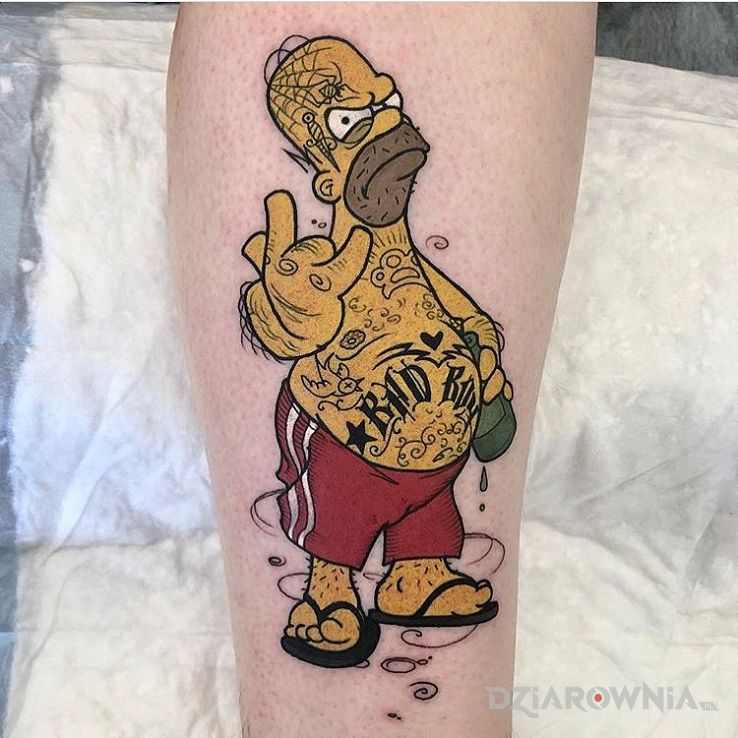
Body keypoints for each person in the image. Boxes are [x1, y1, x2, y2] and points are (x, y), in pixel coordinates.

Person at [167, 4, 595, 735]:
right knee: (339, 518)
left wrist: (478, 343)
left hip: (430, 443)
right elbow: (302, 317)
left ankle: (416, 576)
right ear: (326, 179)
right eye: (351, 120)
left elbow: (443, 297)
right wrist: (284, 305)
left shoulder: (407, 259)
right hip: (347, 438)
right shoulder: (327, 264)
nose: (384, 123)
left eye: (384, 101)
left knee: (429, 513)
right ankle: (328, 594)